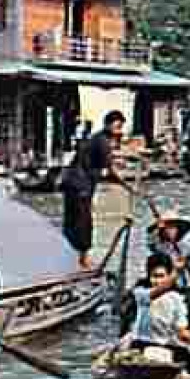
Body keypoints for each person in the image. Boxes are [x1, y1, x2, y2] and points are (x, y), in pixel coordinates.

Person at [59, 110, 126, 270]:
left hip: (71, 183)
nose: (119, 131)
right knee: (83, 222)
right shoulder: (102, 141)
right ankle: (83, 259)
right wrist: (125, 183)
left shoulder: (96, 138)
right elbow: (110, 169)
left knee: (72, 220)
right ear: (109, 125)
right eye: (117, 127)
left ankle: (70, 256)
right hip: (81, 185)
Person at [124, 252, 190, 367]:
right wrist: (177, 271)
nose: (158, 281)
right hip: (142, 343)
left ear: (168, 276)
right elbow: (159, 290)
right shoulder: (141, 292)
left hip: (166, 344)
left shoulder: (177, 299)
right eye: (154, 276)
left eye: (161, 276)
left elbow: (181, 330)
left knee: (189, 361)